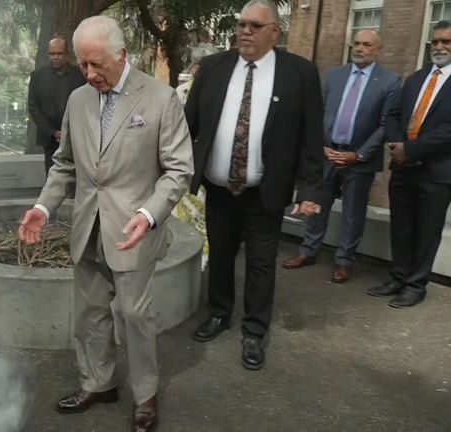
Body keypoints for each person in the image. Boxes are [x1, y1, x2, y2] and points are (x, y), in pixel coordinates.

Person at [18, 16, 193, 432]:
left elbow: (178, 170)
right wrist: (43, 208)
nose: (91, 74)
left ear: (123, 55)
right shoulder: (77, 100)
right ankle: (98, 383)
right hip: (87, 227)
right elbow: (65, 165)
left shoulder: (160, 98)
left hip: (134, 230)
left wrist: (149, 214)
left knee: (134, 315)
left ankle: (145, 396)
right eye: (84, 65)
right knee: (90, 313)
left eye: (98, 64)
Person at [183, 0, 324, 370]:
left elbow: (311, 138)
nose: (244, 31)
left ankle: (255, 331)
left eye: (255, 26)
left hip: (266, 190)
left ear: (275, 32)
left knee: (262, 262)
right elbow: (188, 125)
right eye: (241, 24)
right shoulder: (214, 68)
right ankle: (219, 313)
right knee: (221, 254)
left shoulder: (300, 74)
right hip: (218, 188)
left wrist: (310, 190)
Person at [282, 30, 401, 284]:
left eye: (367, 45)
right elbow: (318, 112)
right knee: (316, 205)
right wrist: (321, 147)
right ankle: (308, 251)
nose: (360, 48)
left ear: (378, 50)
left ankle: (344, 261)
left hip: (359, 159)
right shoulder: (334, 76)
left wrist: (357, 154)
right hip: (326, 153)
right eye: (356, 43)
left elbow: (385, 124)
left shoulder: (390, 81)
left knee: (353, 213)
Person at [367, 20, 451, 308]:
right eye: (436, 41)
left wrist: (411, 149)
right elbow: (392, 114)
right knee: (401, 227)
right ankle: (399, 277)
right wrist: (395, 143)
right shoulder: (416, 78)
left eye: (446, 42)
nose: (439, 47)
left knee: (427, 231)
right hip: (403, 167)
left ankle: (416, 285)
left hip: (436, 172)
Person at [27, 36, 86, 175]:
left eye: (59, 53)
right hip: (50, 139)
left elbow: (87, 104)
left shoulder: (80, 76)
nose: (55, 57)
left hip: (76, 137)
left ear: (67, 54)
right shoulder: (38, 76)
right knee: (52, 176)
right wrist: (52, 132)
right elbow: (33, 107)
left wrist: (70, 131)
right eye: (52, 54)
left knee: (77, 176)